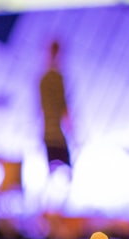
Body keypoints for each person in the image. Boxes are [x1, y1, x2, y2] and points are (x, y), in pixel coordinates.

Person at [39, 40, 71, 171]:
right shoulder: (51, 78)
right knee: (61, 169)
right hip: (53, 134)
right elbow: (63, 107)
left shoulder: (49, 78)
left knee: (58, 169)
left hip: (52, 133)